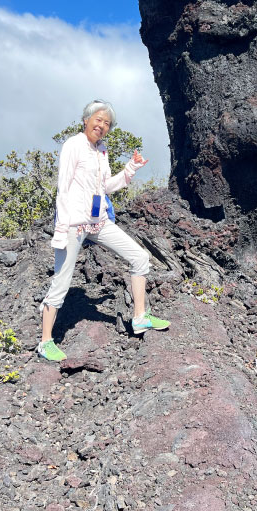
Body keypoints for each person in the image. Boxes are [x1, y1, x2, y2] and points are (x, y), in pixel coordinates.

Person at [37, 99, 170, 361]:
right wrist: (61, 229)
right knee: (61, 283)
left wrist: (131, 169)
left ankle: (140, 317)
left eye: (107, 123)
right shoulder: (74, 145)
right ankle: (44, 343)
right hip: (74, 224)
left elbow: (105, 187)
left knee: (140, 257)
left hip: (98, 222)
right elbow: (63, 188)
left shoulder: (101, 151)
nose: (102, 125)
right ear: (85, 120)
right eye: (98, 119)